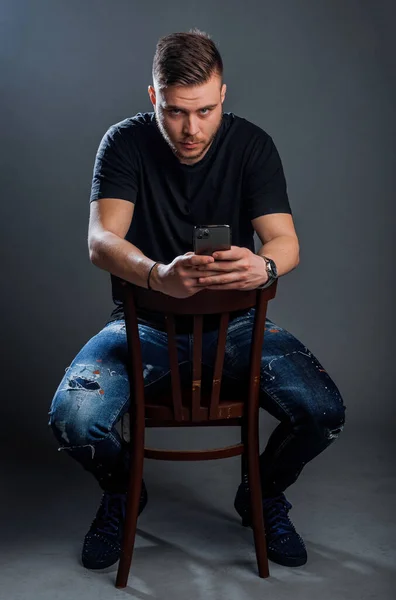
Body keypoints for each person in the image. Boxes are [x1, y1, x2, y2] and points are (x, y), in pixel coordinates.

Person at [48, 29, 346, 571]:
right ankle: (124, 493)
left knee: (325, 414)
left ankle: (263, 495)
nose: (191, 129)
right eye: (176, 112)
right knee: (72, 421)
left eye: (205, 111)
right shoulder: (124, 142)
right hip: (147, 325)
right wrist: (157, 274)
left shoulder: (252, 144)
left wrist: (266, 265)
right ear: (153, 98)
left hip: (237, 327)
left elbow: (286, 240)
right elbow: (101, 240)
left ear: (223, 95)